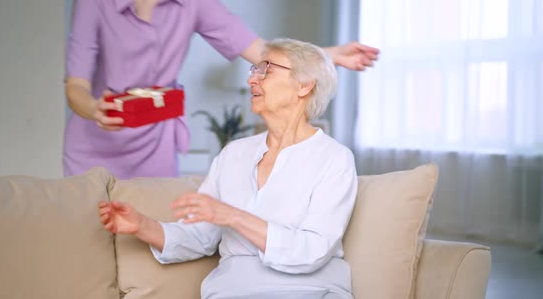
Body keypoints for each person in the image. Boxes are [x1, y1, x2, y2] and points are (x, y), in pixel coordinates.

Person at [98, 38, 358, 299]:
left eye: (266, 69)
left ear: (304, 86)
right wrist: (141, 226)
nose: (252, 80)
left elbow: (312, 250)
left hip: (309, 291)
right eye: (254, 70)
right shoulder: (234, 154)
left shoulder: (334, 159)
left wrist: (232, 216)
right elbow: (200, 235)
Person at [65, 0, 378, 179]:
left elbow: (260, 51)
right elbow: (75, 86)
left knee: (149, 248)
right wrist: (95, 109)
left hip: (155, 145)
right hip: (95, 148)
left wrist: (330, 55)